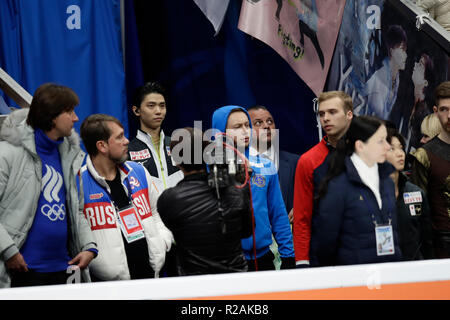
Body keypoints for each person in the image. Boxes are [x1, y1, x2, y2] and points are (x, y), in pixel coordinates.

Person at [0, 83, 97, 288]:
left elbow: (77, 210)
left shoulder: (70, 155)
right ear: (52, 115)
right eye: (69, 111)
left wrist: (89, 247)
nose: (76, 118)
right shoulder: (8, 151)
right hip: (23, 270)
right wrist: (8, 250)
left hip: (66, 268)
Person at [79, 114, 173, 280]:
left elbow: (158, 212)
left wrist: (163, 242)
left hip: (151, 278)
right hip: (108, 288)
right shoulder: (78, 182)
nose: (127, 141)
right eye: (119, 137)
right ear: (102, 146)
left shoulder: (138, 171)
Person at [157, 127, 253, 275]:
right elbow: (247, 231)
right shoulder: (235, 191)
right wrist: (240, 183)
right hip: (236, 280)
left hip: (195, 284)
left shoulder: (169, 200)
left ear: (176, 161)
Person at [212, 106, 295, 271]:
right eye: (237, 127)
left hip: (263, 258)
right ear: (221, 132)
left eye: (247, 125)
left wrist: (288, 255)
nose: (245, 131)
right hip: (225, 261)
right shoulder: (209, 168)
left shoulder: (265, 165)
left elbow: (278, 214)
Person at [313, 115, 402, 266]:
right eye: (380, 141)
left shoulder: (387, 180)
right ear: (360, 146)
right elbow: (325, 243)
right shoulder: (339, 186)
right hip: (355, 276)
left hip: (389, 272)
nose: (387, 147)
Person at [293, 91, 353, 267]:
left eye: (332, 112)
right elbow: (302, 218)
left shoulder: (366, 152)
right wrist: (302, 262)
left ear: (349, 114)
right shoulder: (308, 161)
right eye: (321, 114)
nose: (325, 118)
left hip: (363, 252)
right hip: (324, 258)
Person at [411, 81, 450, 258]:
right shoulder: (424, 155)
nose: (449, 115)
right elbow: (417, 212)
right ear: (435, 112)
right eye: (444, 109)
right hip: (441, 249)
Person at [386, 127, 434, 260]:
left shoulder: (416, 193)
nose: (400, 153)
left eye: (401, 148)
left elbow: (427, 241)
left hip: (414, 270)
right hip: (381, 270)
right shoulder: (369, 195)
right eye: (392, 148)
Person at [128, 82, 183, 195]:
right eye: (151, 106)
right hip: (150, 212)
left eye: (162, 105)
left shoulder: (178, 144)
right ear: (136, 110)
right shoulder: (128, 151)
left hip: (181, 210)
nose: (158, 111)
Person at [247, 105, 300, 220]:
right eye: (258, 123)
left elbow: (312, 194)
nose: (266, 126)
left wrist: (302, 207)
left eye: (270, 121)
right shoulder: (239, 164)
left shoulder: (296, 162)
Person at [365, 25, 407, 120]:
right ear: (392, 51)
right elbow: (377, 113)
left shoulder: (396, 79)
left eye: (405, 51)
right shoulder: (379, 75)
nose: (406, 55)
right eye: (402, 50)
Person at [406, 53, 434, 153]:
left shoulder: (425, 117)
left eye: (421, 65)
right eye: (418, 62)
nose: (415, 65)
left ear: (425, 82)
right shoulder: (409, 100)